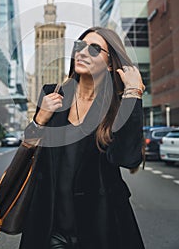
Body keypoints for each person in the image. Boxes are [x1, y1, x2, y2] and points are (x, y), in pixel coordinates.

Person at [19, 26, 145, 249]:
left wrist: (133, 93)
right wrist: (40, 118)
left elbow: (128, 158)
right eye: (80, 46)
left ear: (109, 63)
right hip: (51, 226)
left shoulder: (116, 106)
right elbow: (28, 145)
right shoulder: (52, 94)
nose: (83, 52)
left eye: (95, 49)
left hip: (102, 226)